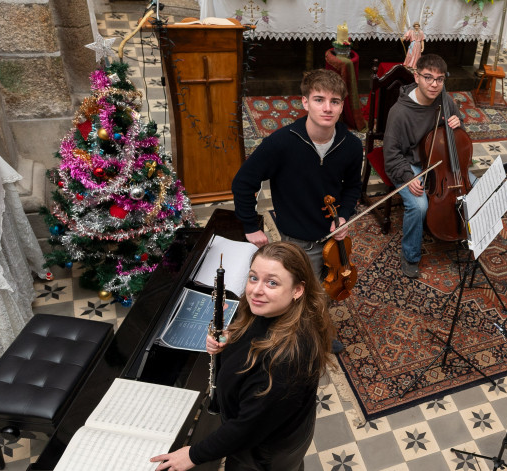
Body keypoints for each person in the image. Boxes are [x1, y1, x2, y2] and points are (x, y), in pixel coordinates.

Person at [150, 241, 335, 471]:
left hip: (263, 455)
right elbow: (255, 335)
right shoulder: (278, 311)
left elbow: (246, 427)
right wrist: (229, 341)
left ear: (297, 289)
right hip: (274, 433)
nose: (256, 290)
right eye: (253, 277)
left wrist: (194, 454)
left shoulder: (286, 360)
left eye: (272, 282)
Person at [232, 69, 363, 280]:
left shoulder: (352, 146)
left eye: (335, 101)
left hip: (335, 239)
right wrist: (250, 226)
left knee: (331, 288)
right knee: (303, 299)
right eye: (319, 100)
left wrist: (344, 215)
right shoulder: (280, 143)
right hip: (300, 242)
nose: (327, 108)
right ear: (305, 102)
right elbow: (243, 183)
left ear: (341, 106)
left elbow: (352, 186)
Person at [384, 53, 474, 278]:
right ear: (417, 76)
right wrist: (407, 176)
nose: (434, 85)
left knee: (477, 190)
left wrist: (458, 123)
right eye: (428, 78)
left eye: (440, 79)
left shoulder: (446, 102)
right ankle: (410, 255)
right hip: (409, 164)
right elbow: (391, 155)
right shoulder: (399, 112)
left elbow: (459, 139)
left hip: (442, 165)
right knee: (419, 206)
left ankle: (466, 235)